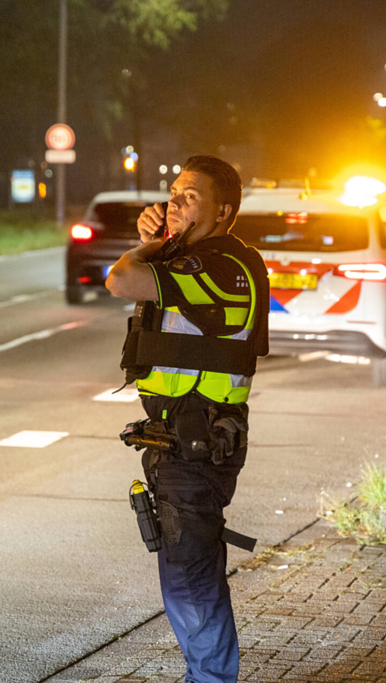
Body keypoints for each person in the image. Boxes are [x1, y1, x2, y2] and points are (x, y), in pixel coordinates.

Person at [106, 155, 269, 683]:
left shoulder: (223, 269)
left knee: (190, 582)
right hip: (182, 442)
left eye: (189, 196)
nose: (174, 202)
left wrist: (152, 242)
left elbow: (122, 278)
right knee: (186, 574)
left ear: (223, 212)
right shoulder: (194, 259)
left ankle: (212, 680)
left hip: (198, 445)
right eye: (173, 192)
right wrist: (168, 238)